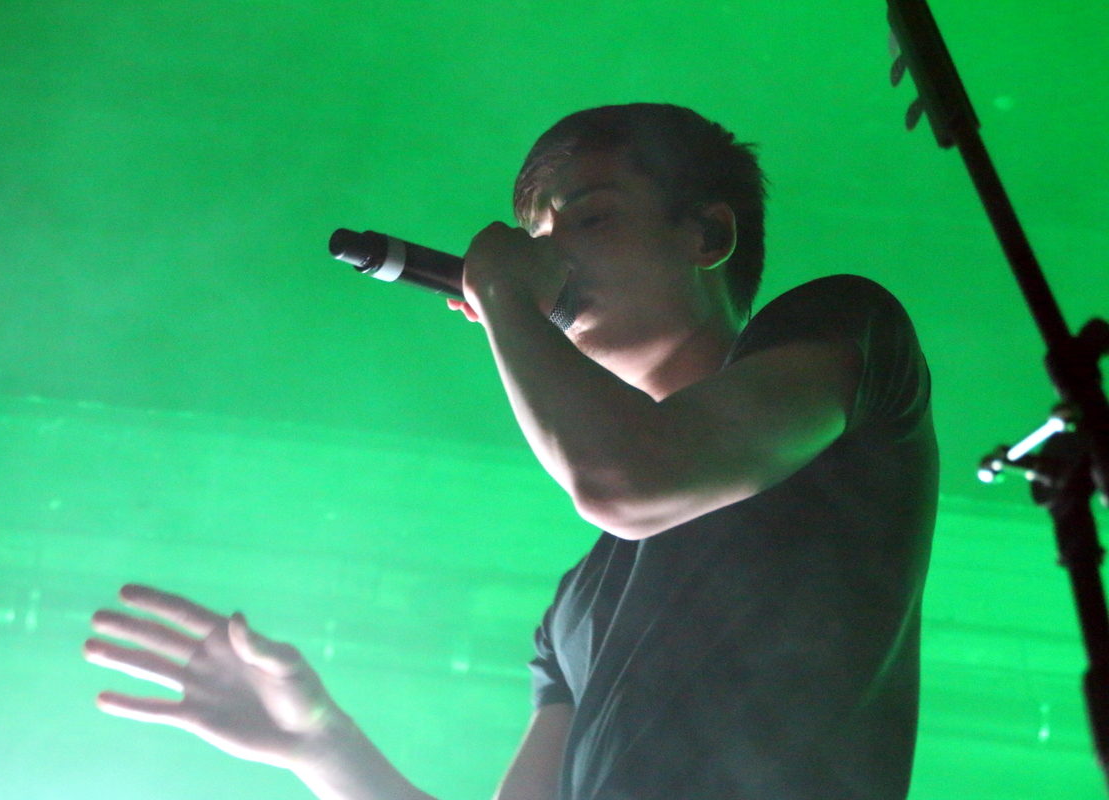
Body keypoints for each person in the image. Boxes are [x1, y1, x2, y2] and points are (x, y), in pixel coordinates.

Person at [84, 103, 938, 799]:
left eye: (592, 216)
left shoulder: (845, 330)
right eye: (535, 236)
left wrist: (504, 294)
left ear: (707, 235)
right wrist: (319, 744)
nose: (550, 254)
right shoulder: (577, 605)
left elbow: (629, 478)